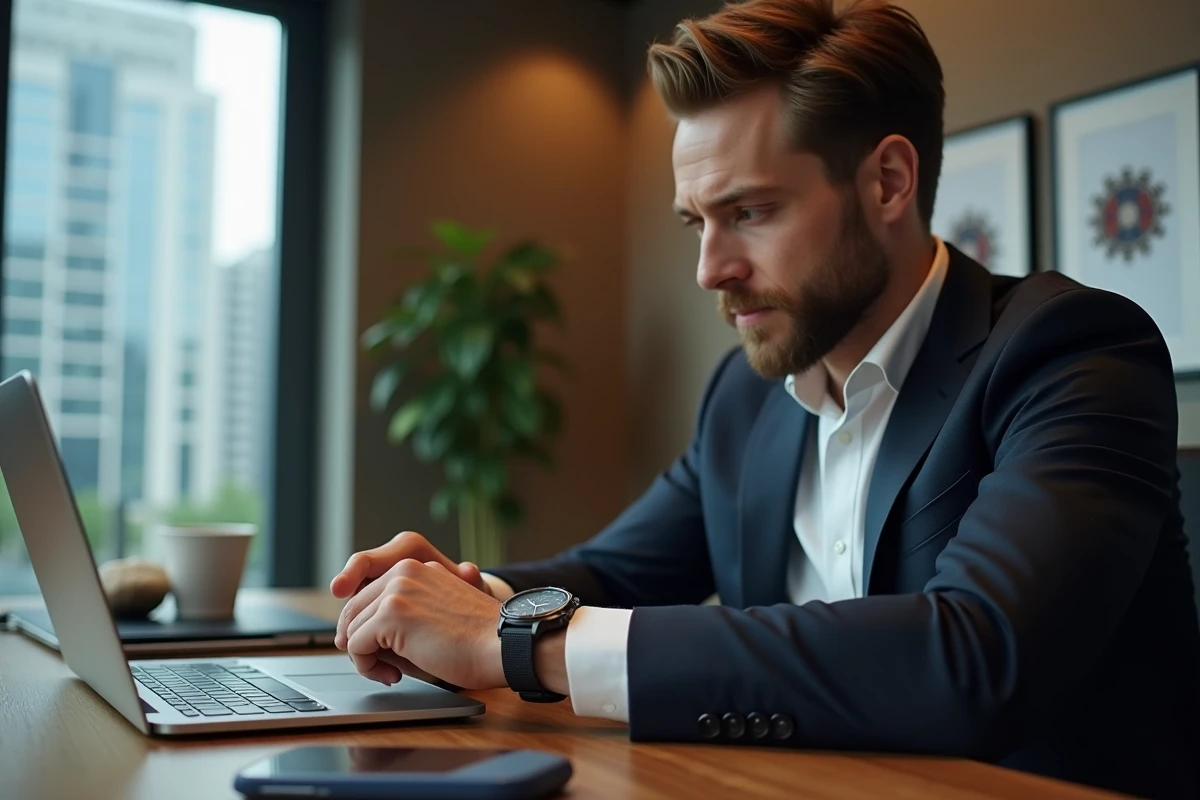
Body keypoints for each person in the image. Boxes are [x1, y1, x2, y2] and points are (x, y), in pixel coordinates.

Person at [330, 0, 1200, 796]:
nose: (711, 268)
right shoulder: (748, 398)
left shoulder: (1070, 350)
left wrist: (516, 643)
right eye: (696, 222)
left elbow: (973, 656)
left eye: (749, 212)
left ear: (888, 182)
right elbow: (614, 576)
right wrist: (452, 596)